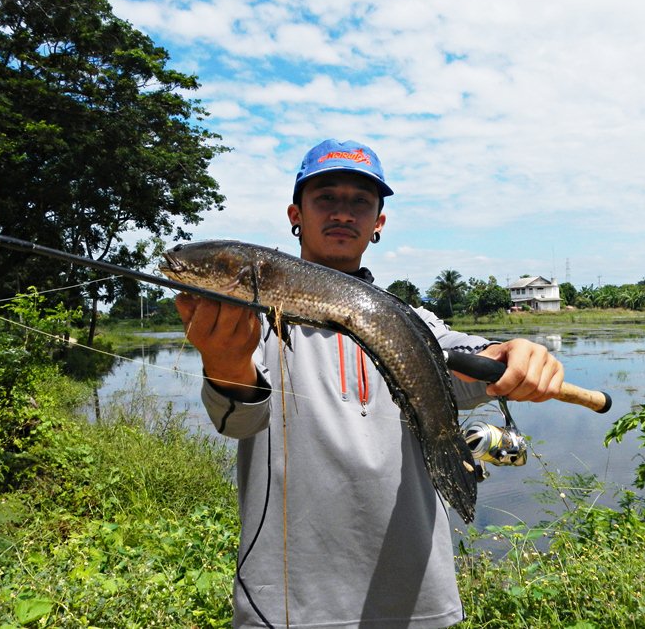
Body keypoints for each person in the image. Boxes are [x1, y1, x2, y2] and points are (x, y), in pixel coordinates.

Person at [175, 139, 564, 628]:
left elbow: (468, 367)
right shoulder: (249, 324)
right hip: (287, 605)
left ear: (378, 222)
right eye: (326, 199)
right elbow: (239, 419)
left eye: (360, 201)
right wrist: (225, 360)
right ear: (296, 214)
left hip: (417, 600)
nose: (343, 213)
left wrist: (509, 354)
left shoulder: (414, 320)